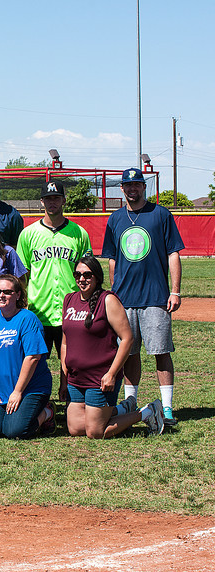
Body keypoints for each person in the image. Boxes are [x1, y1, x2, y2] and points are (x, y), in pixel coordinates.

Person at [101, 168, 185, 426]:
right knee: (129, 353)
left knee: (160, 351)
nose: (132, 189)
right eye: (128, 185)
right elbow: (112, 260)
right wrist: (114, 293)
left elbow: (173, 254)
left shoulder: (160, 214)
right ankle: (131, 401)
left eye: (137, 184)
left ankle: (167, 407)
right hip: (124, 299)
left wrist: (175, 290)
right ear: (122, 188)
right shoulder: (115, 219)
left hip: (155, 297)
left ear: (143, 187)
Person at [60, 256, 165, 438]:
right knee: (76, 429)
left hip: (100, 378)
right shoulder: (69, 300)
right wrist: (64, 374)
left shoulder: (107, 300)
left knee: (95, 432)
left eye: (87, 275)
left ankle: (147, 412)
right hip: (76, 378)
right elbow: (65, 341)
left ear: (97, 277)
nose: (82, 279)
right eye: (78, 274)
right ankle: (123, 408)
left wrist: (111, 374)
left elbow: (127, 339)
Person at [16, 181, 92, 358]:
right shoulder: (28, 234)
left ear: (64, 200)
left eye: (56, 198)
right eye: (48, 199)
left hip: (72, 310)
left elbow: (89, 274)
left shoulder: (79, 233)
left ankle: (68, 388)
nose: (52, 202)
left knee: (73, 362)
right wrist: (24, 303)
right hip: (38, 310)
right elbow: (21, 275)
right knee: (35, 362)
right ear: (41, 202)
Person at [0, 275, 55, 439]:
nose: (1, 295)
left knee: (15, 431)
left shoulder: (27, 318)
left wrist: (18, 391)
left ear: (18, 295)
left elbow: (33, 357)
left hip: (29, 388)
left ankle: (47, 412)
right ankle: (11, 414)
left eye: (7, 292)